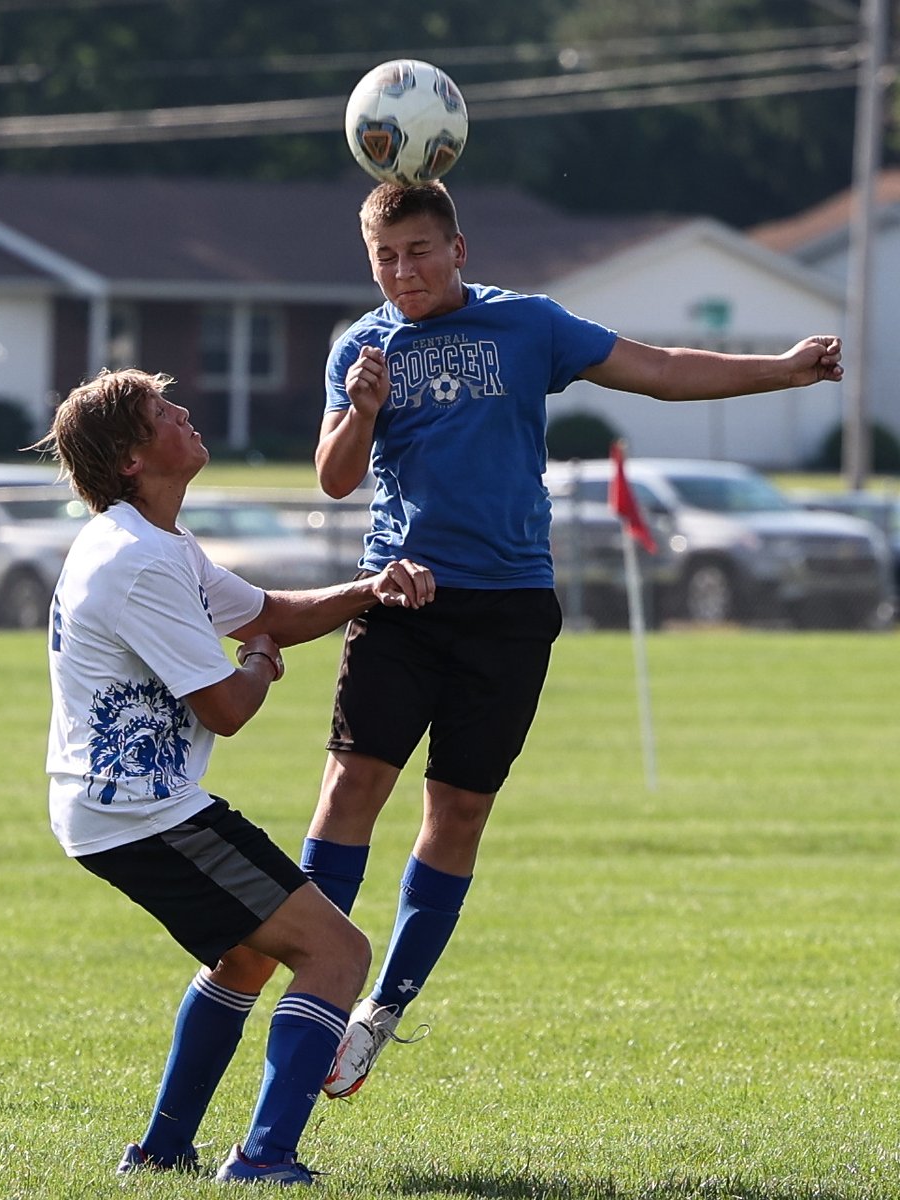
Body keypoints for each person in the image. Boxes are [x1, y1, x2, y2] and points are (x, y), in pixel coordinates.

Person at [288, 179, 846, 1101]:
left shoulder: (529, 324)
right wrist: (362, 411)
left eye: (418, 251)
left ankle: (382, 1006)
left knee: (458, 813)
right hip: (399, 599)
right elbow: (334, 477)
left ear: (458, 250)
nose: (402, 272)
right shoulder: (361, 346)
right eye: (384, 258)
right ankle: (313, 983)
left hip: (507, 608)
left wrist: (782, 369)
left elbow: (660, 369)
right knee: (350, 789)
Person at [31, 367, 434, 1183]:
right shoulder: (139, 560)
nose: (183, 412)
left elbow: (268, 613)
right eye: (161, 412)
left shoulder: (154, 541)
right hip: (142, 813)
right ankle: (264, 1159)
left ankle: (162, 1151)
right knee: (338, 953)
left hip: (117, 809)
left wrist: (369, 591)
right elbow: (226, 707)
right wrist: (256, 664)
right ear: (132, 460)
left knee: (247, 957)